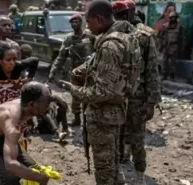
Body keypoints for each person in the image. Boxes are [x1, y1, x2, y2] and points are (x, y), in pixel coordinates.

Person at [59, 0, 141, 184]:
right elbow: (97, 64)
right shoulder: (124, 37)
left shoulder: (109, 45)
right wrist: (79, 71)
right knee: (112, 166)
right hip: (116, 112)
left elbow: (102, 92)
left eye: (88, 22)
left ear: (99, 18)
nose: (87, 27)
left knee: (104, 172)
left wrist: (73, 89)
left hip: (102, 117)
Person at [112, 1, 162, 184]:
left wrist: (151, 102)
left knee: (137, 140)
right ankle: (118, 174)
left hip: (137, 98)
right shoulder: (112, 35)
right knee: (116, 137)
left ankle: (139, 176)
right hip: (115, 98)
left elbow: (152, 71)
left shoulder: (144, 36)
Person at [0, 81, 51, 185]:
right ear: (32, 104)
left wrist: (57, 99)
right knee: (10, 177)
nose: (48, 106)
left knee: (33, 168)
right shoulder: (13, 121)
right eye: (46, 103)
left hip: (2, 137)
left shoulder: (25, 103)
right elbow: (11, 164)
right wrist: (40, 178)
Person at [47, 13, 93, 126]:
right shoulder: (69, 38)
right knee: (75, 95)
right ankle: (77, 118)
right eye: (72, 22)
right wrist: (53, 71)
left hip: (90, 71)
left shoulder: (91, 36)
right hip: (75, 71)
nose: (74, 24)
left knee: (90, 95)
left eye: (76, 21)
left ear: (81, 22)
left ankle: (89, 119)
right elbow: (61, 56)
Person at [158, 12, 186, 81]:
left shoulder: (180, 27)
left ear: (176, 18)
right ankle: (164, 75)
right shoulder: (165, 26)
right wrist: (161, 46)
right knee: (164, 61)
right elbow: (161, 36)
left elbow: (183, 38)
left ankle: (172, 76)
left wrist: (182, 48)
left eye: (174, 17)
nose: (173, 19)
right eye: (171, 17)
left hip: (174, 46)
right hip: (166, 46)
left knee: (173, 62)